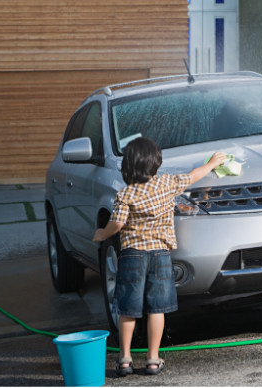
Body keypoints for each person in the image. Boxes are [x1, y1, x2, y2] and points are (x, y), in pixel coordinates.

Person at [93, 137, 226, 375]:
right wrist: (213, 163)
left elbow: (118, 223)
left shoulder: (125, 194)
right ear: (155, 163)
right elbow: (194, 175)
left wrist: (103, 233)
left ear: (129, 166)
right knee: (157, 309)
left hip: (132, 256)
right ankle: (153, 359)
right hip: (160, 256)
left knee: (127, 308)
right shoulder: (167, 183)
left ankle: (124, 359)